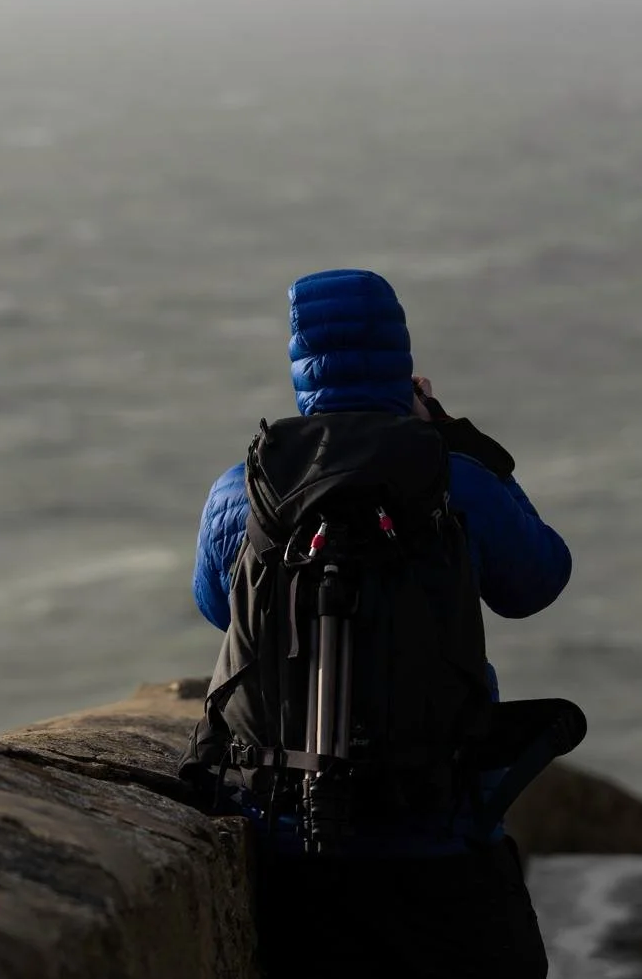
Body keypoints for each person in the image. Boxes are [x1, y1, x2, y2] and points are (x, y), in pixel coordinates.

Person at [189, 268, 572, 979]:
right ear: (401, 357)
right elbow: (538, 582)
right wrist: (465, 445)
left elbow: (220, 610)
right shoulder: (453, 475)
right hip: (438, 833)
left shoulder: (244, 488)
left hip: (288, 838)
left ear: (300, 360)